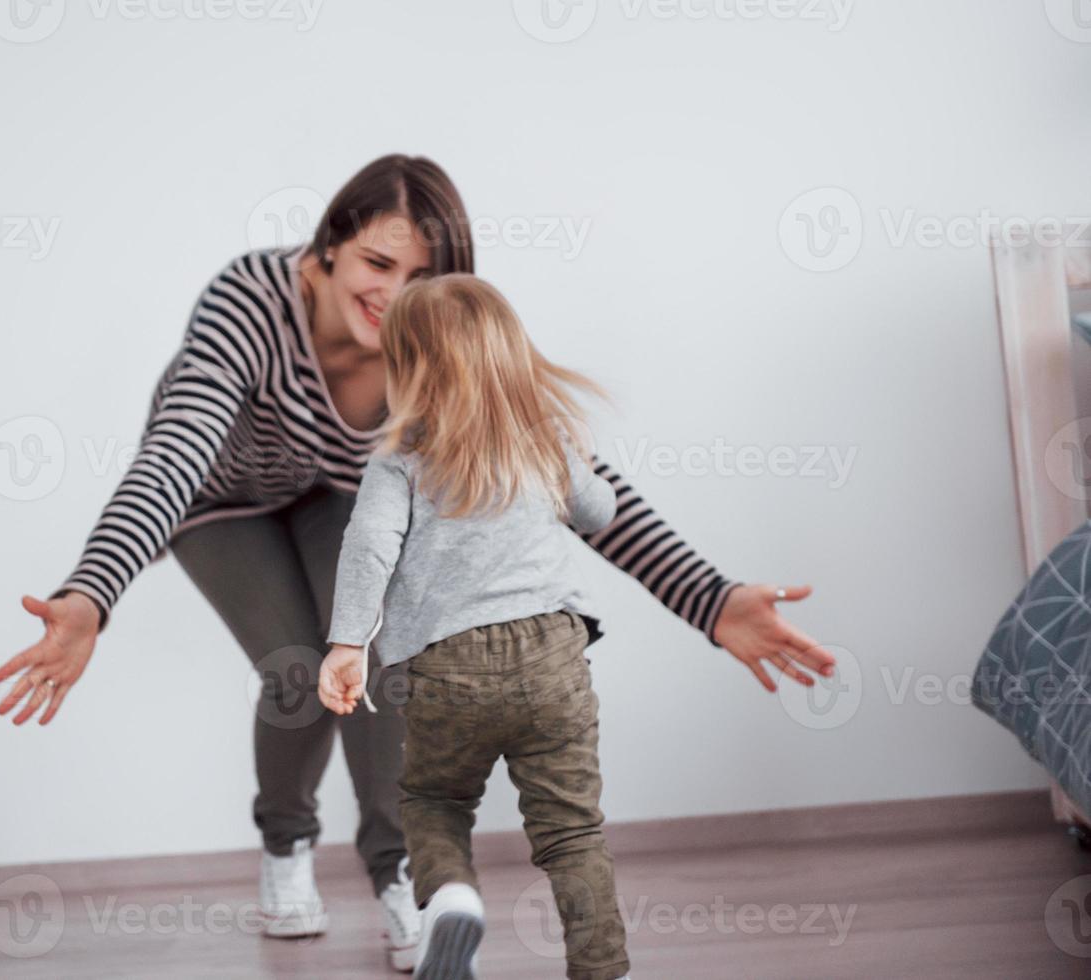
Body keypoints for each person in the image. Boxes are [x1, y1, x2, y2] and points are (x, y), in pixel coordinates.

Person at [0, 154, 827, 973]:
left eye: (418, 275)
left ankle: (403, 876)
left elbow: (550, 467)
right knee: (295, 669)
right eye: (377, 263)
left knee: (383, 656)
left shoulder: (431, 341)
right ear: (327, 248)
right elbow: (174, 454)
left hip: (347, 498)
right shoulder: (250, 301)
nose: (392, 295)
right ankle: (287, 842)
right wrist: (91, 594)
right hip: (220, 498)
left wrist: (710, 599)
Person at [318, 274, 836, 980]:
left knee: (435, 801)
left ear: (405, 366)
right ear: (512, 355)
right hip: (553, 656)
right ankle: (602, 968)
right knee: (571, 833)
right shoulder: (541, 440)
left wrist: (347, 643)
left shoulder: (398, 462)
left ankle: (453, 904)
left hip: (446, 666)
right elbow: (597, 513)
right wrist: (568, 451)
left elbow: (369, 547)